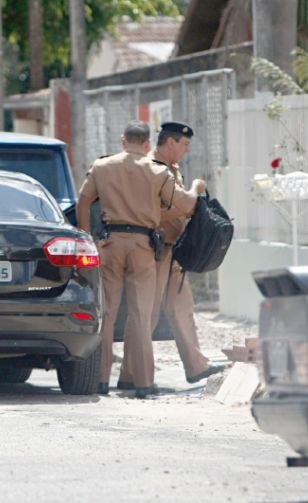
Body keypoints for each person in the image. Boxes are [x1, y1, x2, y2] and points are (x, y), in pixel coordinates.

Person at [75, 120, 203, 398]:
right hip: (143, 246)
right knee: (141, 315)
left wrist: (86, 239)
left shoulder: (101, 166)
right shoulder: (157, 171)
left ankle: (100, 380)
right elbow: (185, 204)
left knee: (106, 315)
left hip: (109, 244)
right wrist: (195, 188)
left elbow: (82, 203)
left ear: (123, 140)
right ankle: (143, 384)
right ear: (147, 145)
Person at [116, 121, 225, 390]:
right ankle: (130, 373)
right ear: (171, 143)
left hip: (173, 249)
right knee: (146, 313)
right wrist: (193, 196)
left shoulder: (171, 169)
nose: (186, 150)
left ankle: (196, 365)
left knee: (182, 307)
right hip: (154, 251)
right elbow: (152, 212)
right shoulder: (150, 168)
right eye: (184, 145)